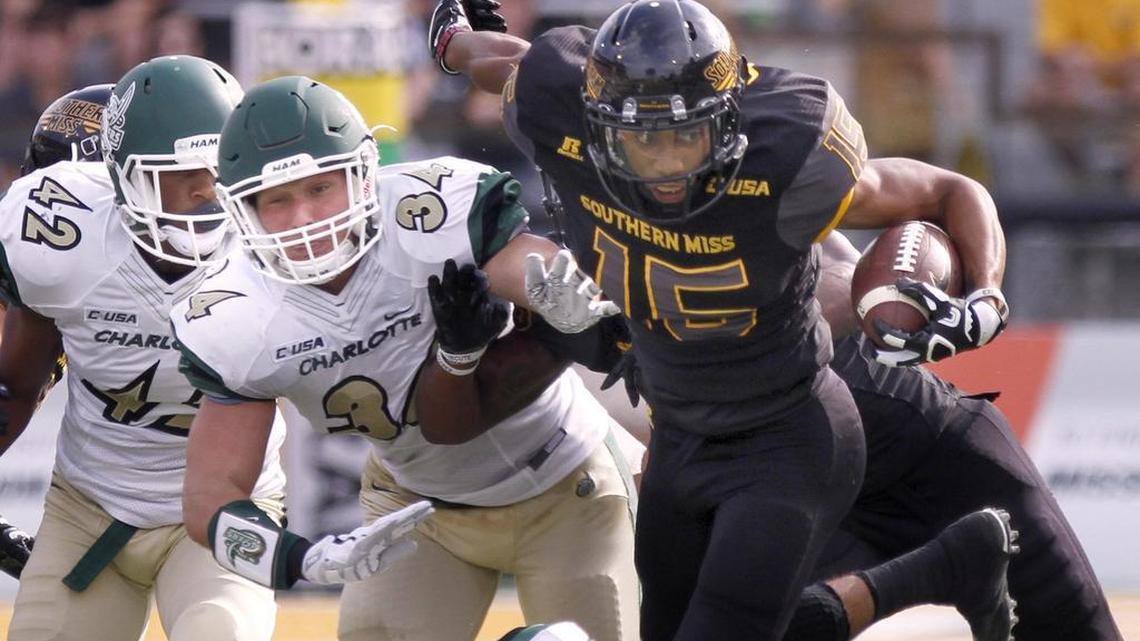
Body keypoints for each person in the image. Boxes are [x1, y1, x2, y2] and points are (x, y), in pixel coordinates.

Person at [431, 1, 1011, 640]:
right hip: (678, 435)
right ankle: (943, 568)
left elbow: (949, 191)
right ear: (596, 123)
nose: (667, 163)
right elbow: (508, 61)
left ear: (731, 116)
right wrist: (455, 41)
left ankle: (942, 568)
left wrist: (985, 298)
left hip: (788, 436)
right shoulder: (559, 103)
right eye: (643, 138)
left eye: (687, 134)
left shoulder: (787, 151)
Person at [171, 76, 640, 641]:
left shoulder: (428, 210)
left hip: (566, 479)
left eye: (320, 188)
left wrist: (560, 292)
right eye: (277, 201)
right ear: (239, 208)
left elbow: (527, 267)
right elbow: (208, 500)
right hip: (419, 509)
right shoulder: (230, 310)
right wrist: (298, 559)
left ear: (364, 174)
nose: (303, 219)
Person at [0, 56, 290, 641]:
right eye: (178, 175)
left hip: (222, 512)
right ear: (119, 175)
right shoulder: (59, 232)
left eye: (215, 170)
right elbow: (16, 383)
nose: (205, 192)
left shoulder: (278, 243)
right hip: (89, 509)